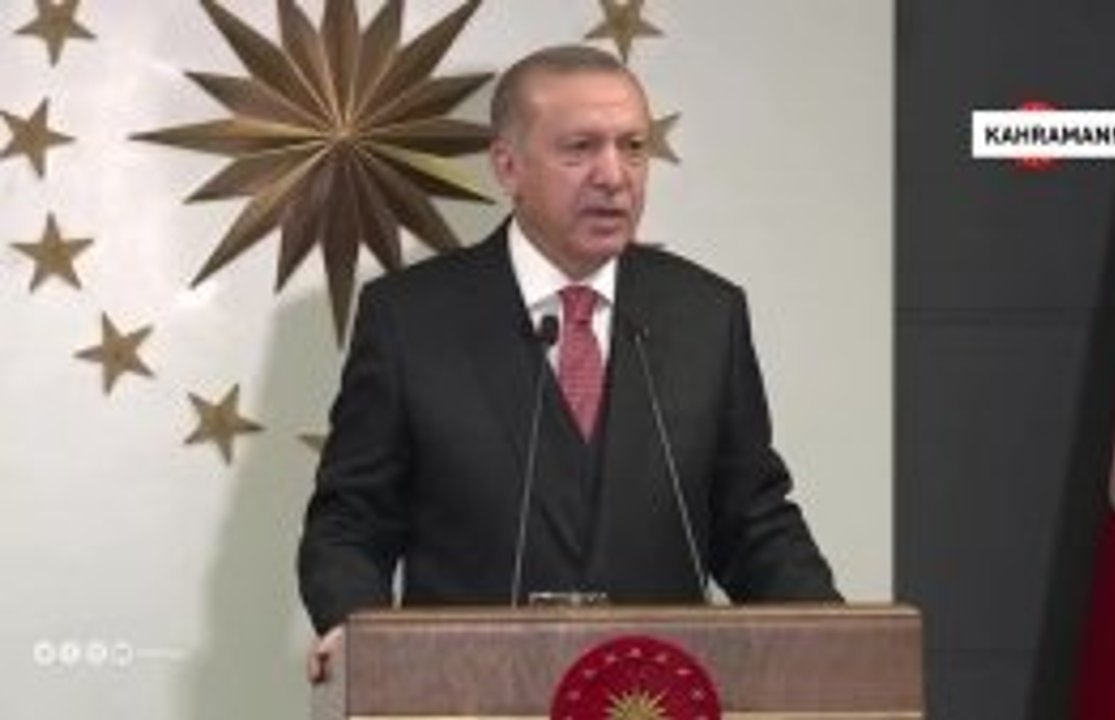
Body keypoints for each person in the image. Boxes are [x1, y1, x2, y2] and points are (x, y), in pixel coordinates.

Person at [297, 44, 841, 682]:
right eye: (580, 148)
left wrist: (830, 636)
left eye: (633, 147)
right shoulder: (410, 319)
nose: (614, 176)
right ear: (508, 167)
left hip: (654, 696)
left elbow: (752, 520)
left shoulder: (706, 314)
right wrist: (356, 629)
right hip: (468, 695)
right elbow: (351, 521)